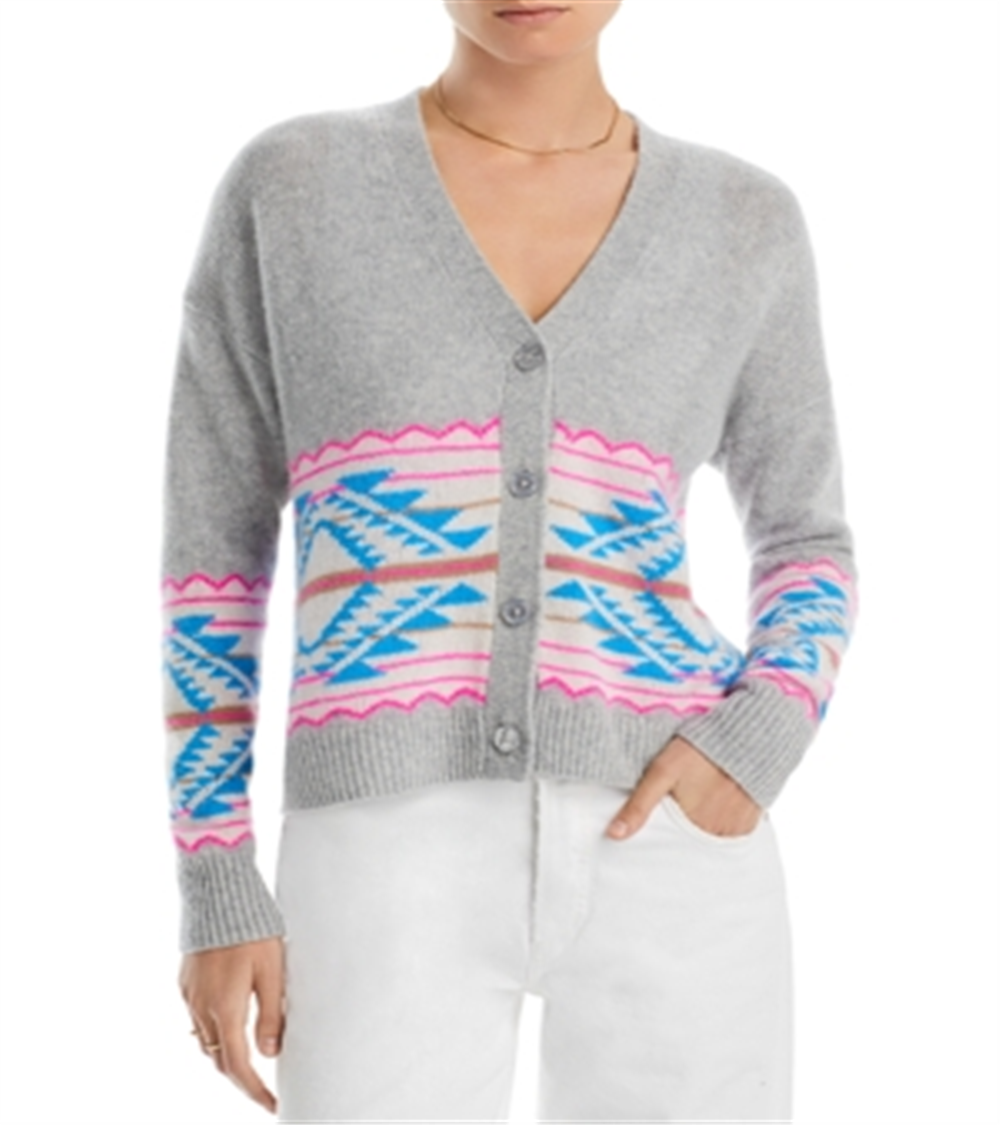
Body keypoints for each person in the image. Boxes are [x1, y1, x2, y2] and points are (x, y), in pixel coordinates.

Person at [163, 1, 859, 1119]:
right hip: (380, 838)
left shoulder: (743, 221)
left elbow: (805, 538)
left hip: (669, 830)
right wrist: (215, 874)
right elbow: (214, 552)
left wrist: (758, 737)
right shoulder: (294, 190)